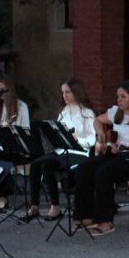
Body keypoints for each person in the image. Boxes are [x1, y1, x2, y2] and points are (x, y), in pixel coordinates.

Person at [73, 80, 129, 236]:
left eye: (123, 97)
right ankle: (86, 216)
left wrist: (127, 148)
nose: (119, 100)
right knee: (82, 170)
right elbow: (98, 121)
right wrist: (101, 134)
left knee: (103, 173)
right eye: (118, 97)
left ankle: (106, 221)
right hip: (117, 154)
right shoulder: (116, 112)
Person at [21, 78, 96, 222]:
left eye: (68, 92)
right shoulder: (64, 112)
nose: (64, 96)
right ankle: (35, 207)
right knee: (37, 164)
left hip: (79, 153)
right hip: (62, 151)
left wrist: (77, 140)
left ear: (76, 92)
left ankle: (55, 208)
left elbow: (92, 140)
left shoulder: (87, 113)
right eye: (63, 93)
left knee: (46, 165)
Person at [0, 74, 30, 210]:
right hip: (1, 147)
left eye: (2, 91)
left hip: (17, 149)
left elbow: (26, 132)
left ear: (9, 90)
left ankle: (1, 198)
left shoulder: (21, 107)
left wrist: (10, 128)